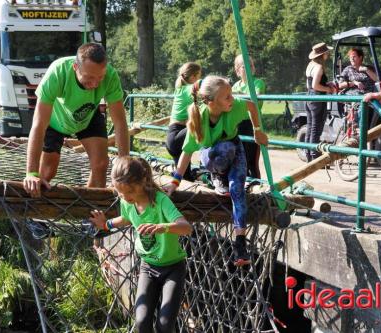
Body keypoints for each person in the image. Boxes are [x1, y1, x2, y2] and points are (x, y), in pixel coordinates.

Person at [164, 75, 268, 266]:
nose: (232, 98)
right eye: (227, 96)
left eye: (231, 94)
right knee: (224, 149)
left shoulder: (234, 107)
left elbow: (252, 106)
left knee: (237, 190)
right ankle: (216, 176)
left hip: (234, 149)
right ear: (210, 102)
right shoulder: (199, 118)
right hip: (211, 155)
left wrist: (257, 130)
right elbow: (186, 153)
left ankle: (240, 245)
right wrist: (175, 181)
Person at [90, 156, 192, 333]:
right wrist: (106, 224)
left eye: (129, 192)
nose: (124, 197)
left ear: (143, 182)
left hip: (172, 268)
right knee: (142, 321)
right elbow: (127, 218)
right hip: (148, 267)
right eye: (120, 193)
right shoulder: (127, 202)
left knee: (165, 324)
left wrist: (162, 227)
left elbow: (186, 228)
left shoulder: (160, 201)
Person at [23, 43, 129, 197]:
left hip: (88, 115)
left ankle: (91, 215)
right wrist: (31, 173)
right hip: (55, 120)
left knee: (101, 164)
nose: (94, 84)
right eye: (89, 78)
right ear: (75, 67)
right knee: (47, 171)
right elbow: (39, 125)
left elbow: (120, 122)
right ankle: (34, 216)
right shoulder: (58, 72)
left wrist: (124, 164)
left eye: (100, 77)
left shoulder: (111, 76)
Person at [166, 62, 202, 181]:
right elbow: (201, 85)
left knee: (186, 178)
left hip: (173, 137)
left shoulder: (180, 89)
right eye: (198, 76)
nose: (200, 79)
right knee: (202, 128)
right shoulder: (187, 89)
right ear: (193, 77)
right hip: (177, 136)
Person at [232, 55, 266, 178]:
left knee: (252, 161)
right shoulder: (236, 85)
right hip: (238, 124)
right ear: (237, 71)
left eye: (251, 64)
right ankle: (242, 183)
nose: (249, 67)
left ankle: (257, 186)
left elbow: (255, 97)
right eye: (244, 65)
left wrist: (236, 95)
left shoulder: (257, 82)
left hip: (253, 123)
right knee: (240, 159)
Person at [304, 42, 337, 162]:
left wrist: (326, 84)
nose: (328, 54)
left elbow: (310, 85)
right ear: (322, 54)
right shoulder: (319, 67)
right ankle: (314, 156)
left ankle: (308, 153)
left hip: (309, 98)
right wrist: (328, 89)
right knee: (315, 128)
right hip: (317, 99)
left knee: (310, 127)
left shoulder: (311, 65)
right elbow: (315, 85)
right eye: (326, 52)